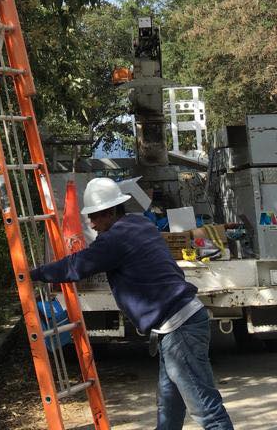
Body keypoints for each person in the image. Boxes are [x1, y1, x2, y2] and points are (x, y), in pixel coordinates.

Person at [30, 177, 235, 430]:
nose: (91, 223)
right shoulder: (140, 224)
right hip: (181, 322)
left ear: (111, 212)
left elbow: (76, 266)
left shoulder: (114, 239)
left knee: (206, 410)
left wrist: (33, 274)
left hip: (179, 328)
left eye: (95, 216)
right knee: (169, 405)